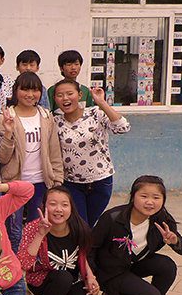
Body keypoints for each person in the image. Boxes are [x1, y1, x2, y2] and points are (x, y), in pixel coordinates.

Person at [91, 175, 182, 295]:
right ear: (133, 197)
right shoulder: (113, 218)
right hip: (109, 272)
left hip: (132, 264)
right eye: (144, 196)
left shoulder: (161, 219)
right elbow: (91, 248)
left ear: (163, 200)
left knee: (167, 265)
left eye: (156, 197)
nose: (150, 202)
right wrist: (91, 277)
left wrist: (174, 241)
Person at [17, 187, 102, 295]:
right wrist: (40, 234)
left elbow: (82, 254)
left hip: (74, 280)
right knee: (63, 278)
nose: (58, 209)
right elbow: (24, 264)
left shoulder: (78, 226)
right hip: (43, 281)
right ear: (44, 206)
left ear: (71, 208)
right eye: (53, 204)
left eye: (64, 205)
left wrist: (90, 276)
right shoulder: (33, 227)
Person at [0, 72, 63, 251]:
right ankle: (15, 267)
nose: (30, 94)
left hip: (40, 181)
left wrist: (57, 179)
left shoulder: (46, 116)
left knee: (36, 227)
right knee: (15, 229)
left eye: (35, 90)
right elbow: (2, 157)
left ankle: (31, 264)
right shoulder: (6, 117)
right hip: (15, 182)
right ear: (16, 91)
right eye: (25, 89)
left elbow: (54, 150)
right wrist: (9, 133)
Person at [53, 81, 130, 227]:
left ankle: (88, 249)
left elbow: (123, 127)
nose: (65, 98)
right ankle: (84, 249)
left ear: (80, 95)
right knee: (80, 223)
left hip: (100, 181)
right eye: (60, 95)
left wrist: (102, 102)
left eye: (70, 94)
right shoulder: (55, 122)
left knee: (91, 223)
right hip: (72, 183)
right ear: (55, 99)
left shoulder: (95, 113)